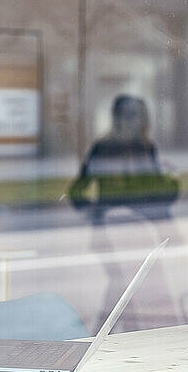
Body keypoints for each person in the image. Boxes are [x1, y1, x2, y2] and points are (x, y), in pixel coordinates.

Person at [69, 94, 179, 331]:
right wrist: (172, 180)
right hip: (123, 233)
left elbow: (78, 194)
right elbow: (157, 196)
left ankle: (100, 334)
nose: (134, 121)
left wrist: (98, 212)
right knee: (128, 287)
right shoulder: (135, 148)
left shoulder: (128, 148)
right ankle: (106, 334)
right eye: (131, 116)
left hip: (123, 233)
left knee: (124, 287)